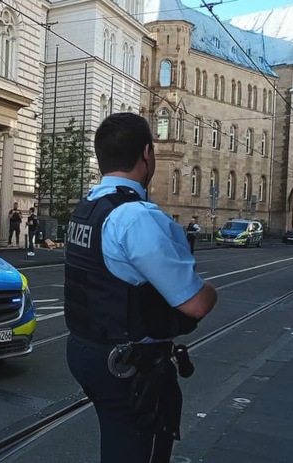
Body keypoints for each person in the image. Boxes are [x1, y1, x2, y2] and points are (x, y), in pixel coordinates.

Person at [64, 113, 218, 463]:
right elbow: (194, 304)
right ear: (147, 154)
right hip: (125, 362)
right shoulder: (137, 217)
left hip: (86, 348)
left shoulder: (88, 208)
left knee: (118, 438)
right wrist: (212, 290)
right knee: (133, 450)